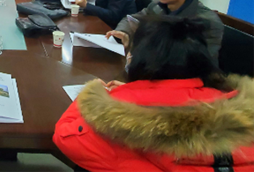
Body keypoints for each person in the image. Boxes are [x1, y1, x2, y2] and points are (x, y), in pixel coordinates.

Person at [54, 16, 254, 172]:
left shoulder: (115, 112)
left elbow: (65, 135)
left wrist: (90, 95)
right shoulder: (237, 106)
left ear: (140, 57)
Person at [107, 0, 223, 64]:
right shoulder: (158, 5)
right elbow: (132, 19)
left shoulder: (207, 22)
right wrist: (124, 32)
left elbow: (198, 63)